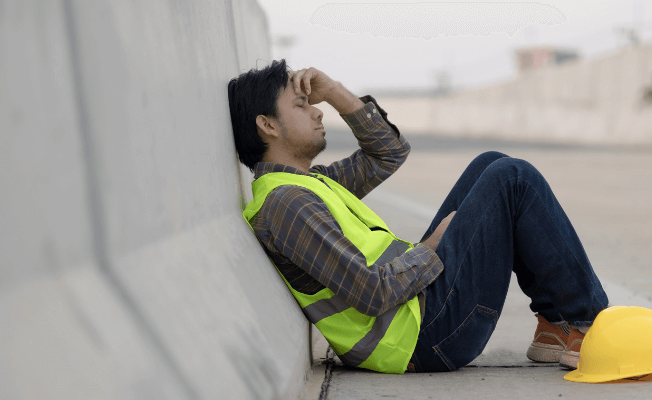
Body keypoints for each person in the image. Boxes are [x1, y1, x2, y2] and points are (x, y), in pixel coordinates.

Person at [228, 60, 608, 374]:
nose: (316, 110)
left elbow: (387, 153)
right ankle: (592, 327)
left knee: (489, 165)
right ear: (268, 125)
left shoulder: (310, 184)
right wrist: (431, 247)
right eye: (300, 105)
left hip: (419, 311)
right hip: (422, 336)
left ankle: (556, 327)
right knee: (513, 177)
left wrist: (336, 92)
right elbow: (371, 292)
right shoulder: (286, 205)